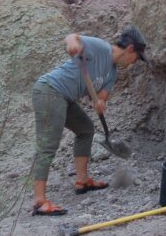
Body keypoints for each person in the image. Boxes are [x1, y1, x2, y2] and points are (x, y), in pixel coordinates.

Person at [30, 25, 150, 216]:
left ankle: (83, 181)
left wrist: (100, 103)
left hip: (66, 98)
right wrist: (73, 45)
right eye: (136, 58)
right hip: (49, 91)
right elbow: (72, 37)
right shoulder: (100, 47)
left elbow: (101, 97)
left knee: (86, 129)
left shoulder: (112, 73)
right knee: (48, 145)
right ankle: (39, 201)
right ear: (130, 49)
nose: (134, 62)